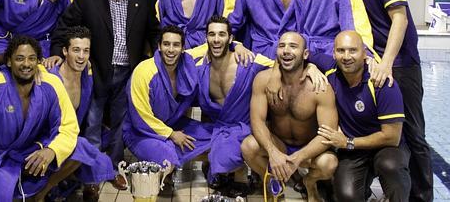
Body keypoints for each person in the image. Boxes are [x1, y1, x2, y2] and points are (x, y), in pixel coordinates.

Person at [46, 0, 160, 189]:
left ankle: (113, 167)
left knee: (121, 121)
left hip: (128, 71)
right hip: (96, 71)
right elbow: (64, 26)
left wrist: (158, 61)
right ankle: (91, 175)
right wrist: (56, 53)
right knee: (93, 122)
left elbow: (153, 31)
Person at [336, 0, 432, 202]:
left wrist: (387, 61)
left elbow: (400, 19)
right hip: (373, 62)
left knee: (413, 133)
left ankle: (423, 197)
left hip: (400, 63)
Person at [0, 35, 83, 201]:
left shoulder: (50, 85)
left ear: (38, 62)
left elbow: (68, 126)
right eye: (20, 59)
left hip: (30, 151)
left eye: (32, 59)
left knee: (81, 148)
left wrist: (52, 150)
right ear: (9, 61)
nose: (26, 64)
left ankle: (40, 195)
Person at [241, 31, 338, 202]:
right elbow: (257, 121)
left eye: (293, 46)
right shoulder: (263, 80)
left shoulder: (320, 87)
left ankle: (309, 182)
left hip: (308, 150)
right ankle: (274, 181)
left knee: (329, 164)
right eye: (281, 46)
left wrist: (297, 158)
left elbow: (327, 133)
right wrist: (273, 152)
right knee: (248, 147)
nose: (286, 51)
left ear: (305, 54)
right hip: (279, 143)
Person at [315, 31, 410, 201]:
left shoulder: (381, 82)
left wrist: (348, 142)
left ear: (364, 53)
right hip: (354, 153)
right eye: (341, 50)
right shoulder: (331, 70)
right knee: (346, 195)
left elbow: (392, 137)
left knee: (390, 167)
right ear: (333, 53)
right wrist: (310, 67)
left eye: (353, 50)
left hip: (386, 148)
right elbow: (300, 55)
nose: (346, 56)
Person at [195, 16, 273, 197]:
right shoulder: (200, 67)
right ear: (205, 38)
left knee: (226, 154)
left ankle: (239, 173)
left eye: (222, 34)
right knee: (181, 142)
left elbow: (281, 66)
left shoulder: (247, 60)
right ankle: (220, 166)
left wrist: (311, 68)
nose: (216, 39)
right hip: (218, 126)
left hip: (244, 128)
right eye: (211, 34)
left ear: (230, 38)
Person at [123, 25, 212, 172]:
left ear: (183, 48)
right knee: (167, 161)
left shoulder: (187, 61)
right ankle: (165, 161)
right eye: (166, 44)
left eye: (176, 45)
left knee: (217, 135)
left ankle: (170, 152)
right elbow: (140, 118)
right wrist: (171, 135)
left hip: (173, 123)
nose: (171, 50)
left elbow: (212, 45)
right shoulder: (144, 72)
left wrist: (237, 46)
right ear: (159, 46)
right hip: (141, 132)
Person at [47, 26, 115, 201]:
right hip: (49, 138)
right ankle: (44, 189)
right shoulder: (50, 79)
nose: (81, 56)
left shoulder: (86, 71)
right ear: (64, 51)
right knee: (88, 150)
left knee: (104, 140)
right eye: (76, 50)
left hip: (72, 133)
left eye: (86, 51)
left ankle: (77, 180)